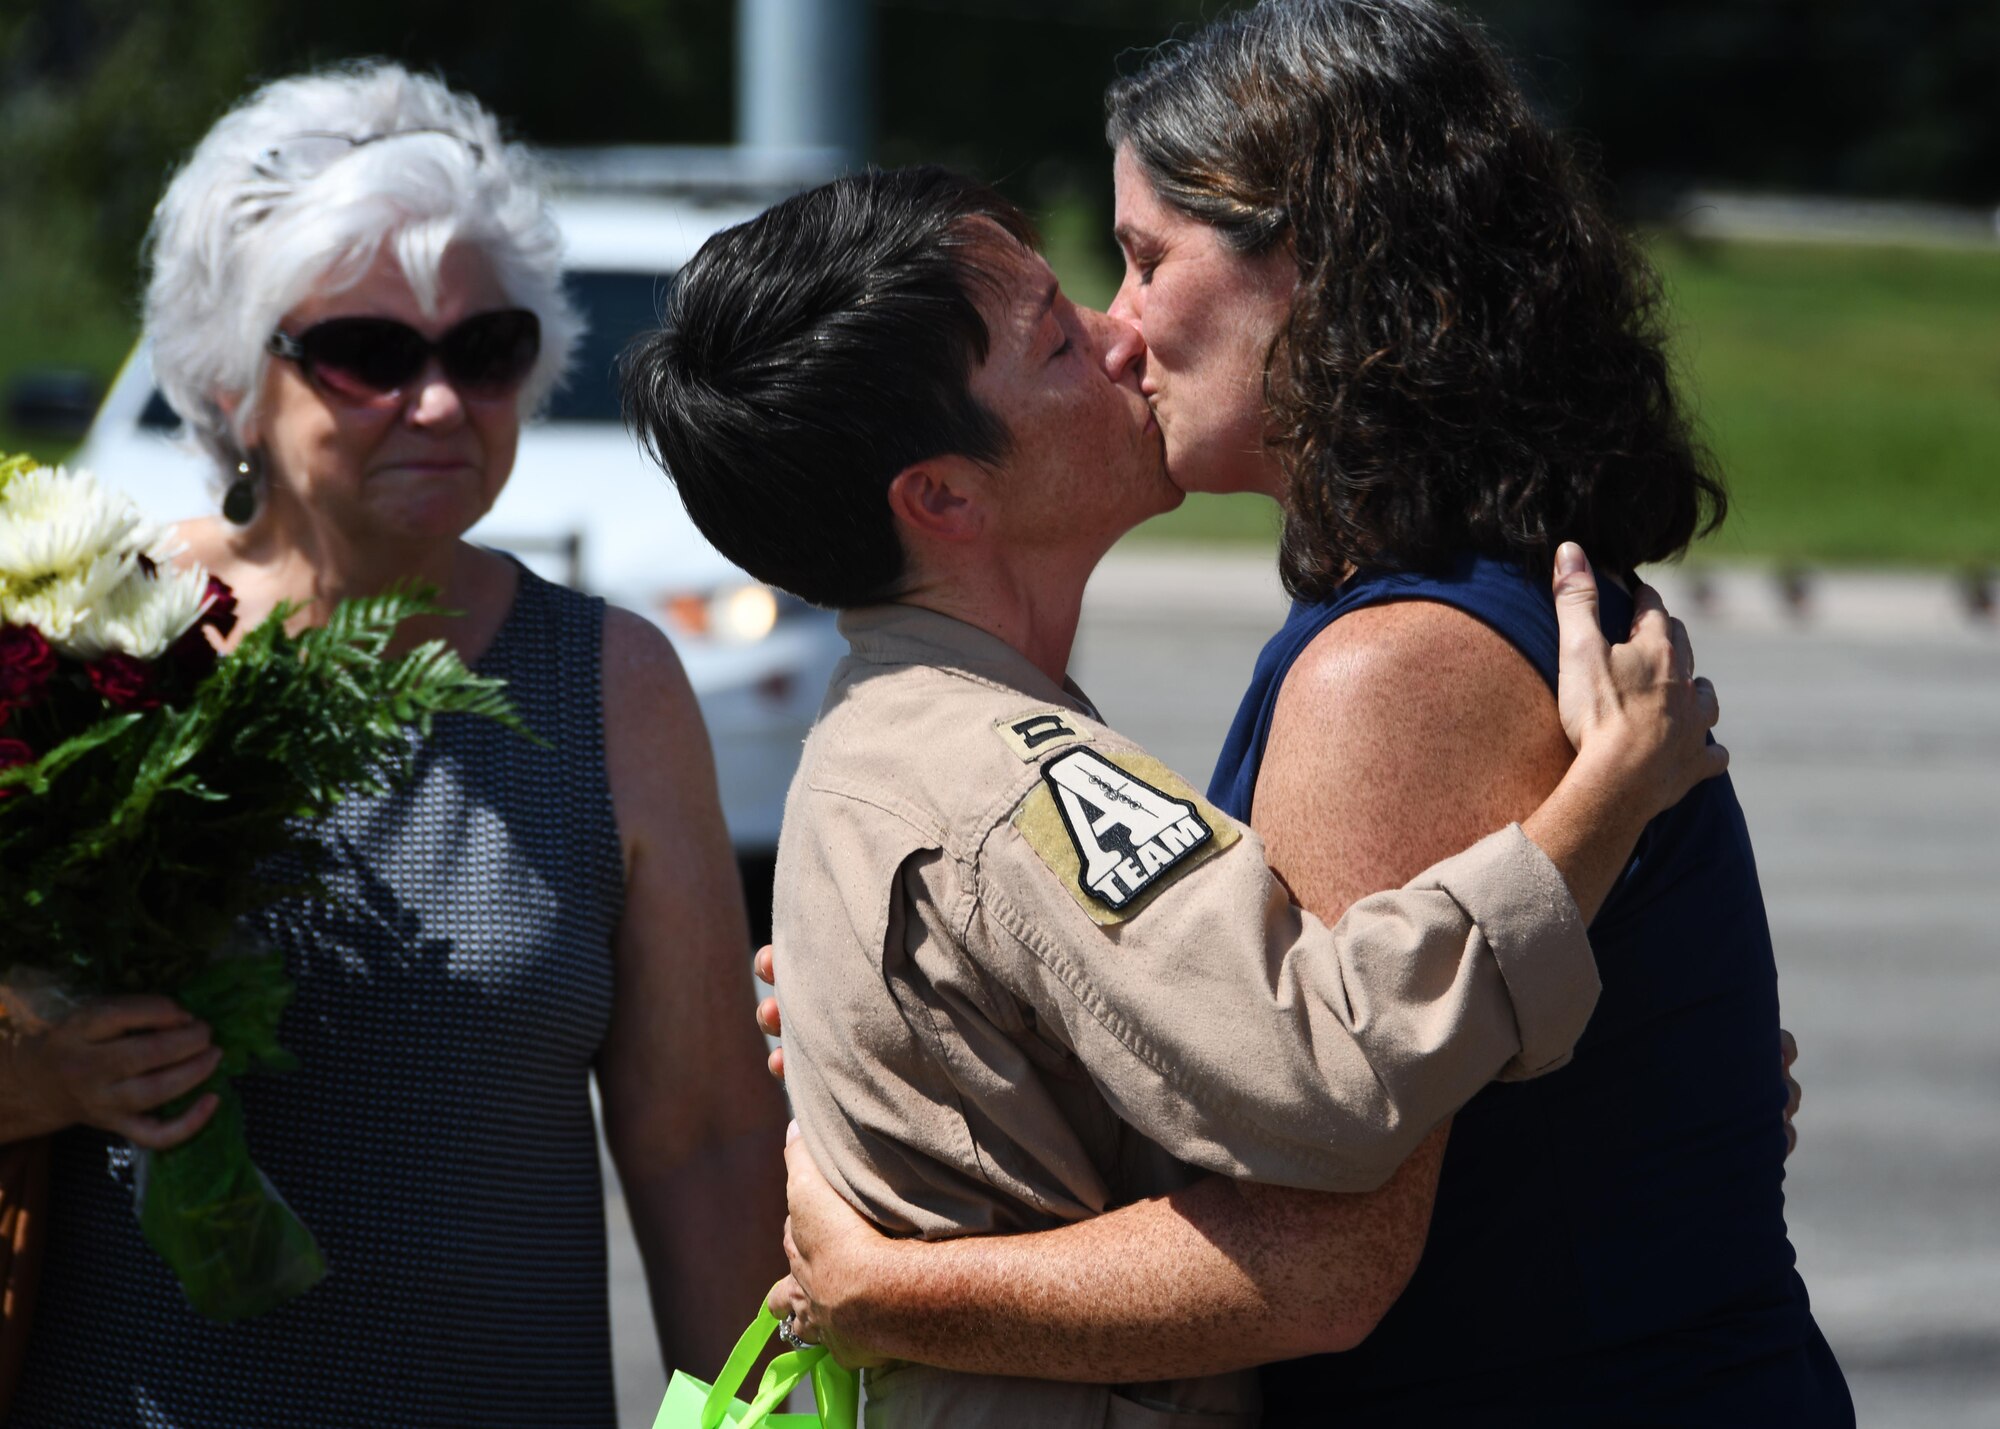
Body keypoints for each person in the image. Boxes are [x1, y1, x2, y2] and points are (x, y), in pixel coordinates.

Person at [757, 2, 1852, 1424]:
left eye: (1147, 258)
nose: (1122, 328)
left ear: (1324, 271)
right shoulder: (1439, 608)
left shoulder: (1397, 668)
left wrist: (871, 1288)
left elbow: (1308, 1259)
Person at [0, 63, 787, 1426]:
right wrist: (44, 1076)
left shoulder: (614, 683)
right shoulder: (78, 638)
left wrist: (772, 1415)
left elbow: (705, 1141)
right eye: (369, 354)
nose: (436, 403)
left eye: (483, 351)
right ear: (233, 382)